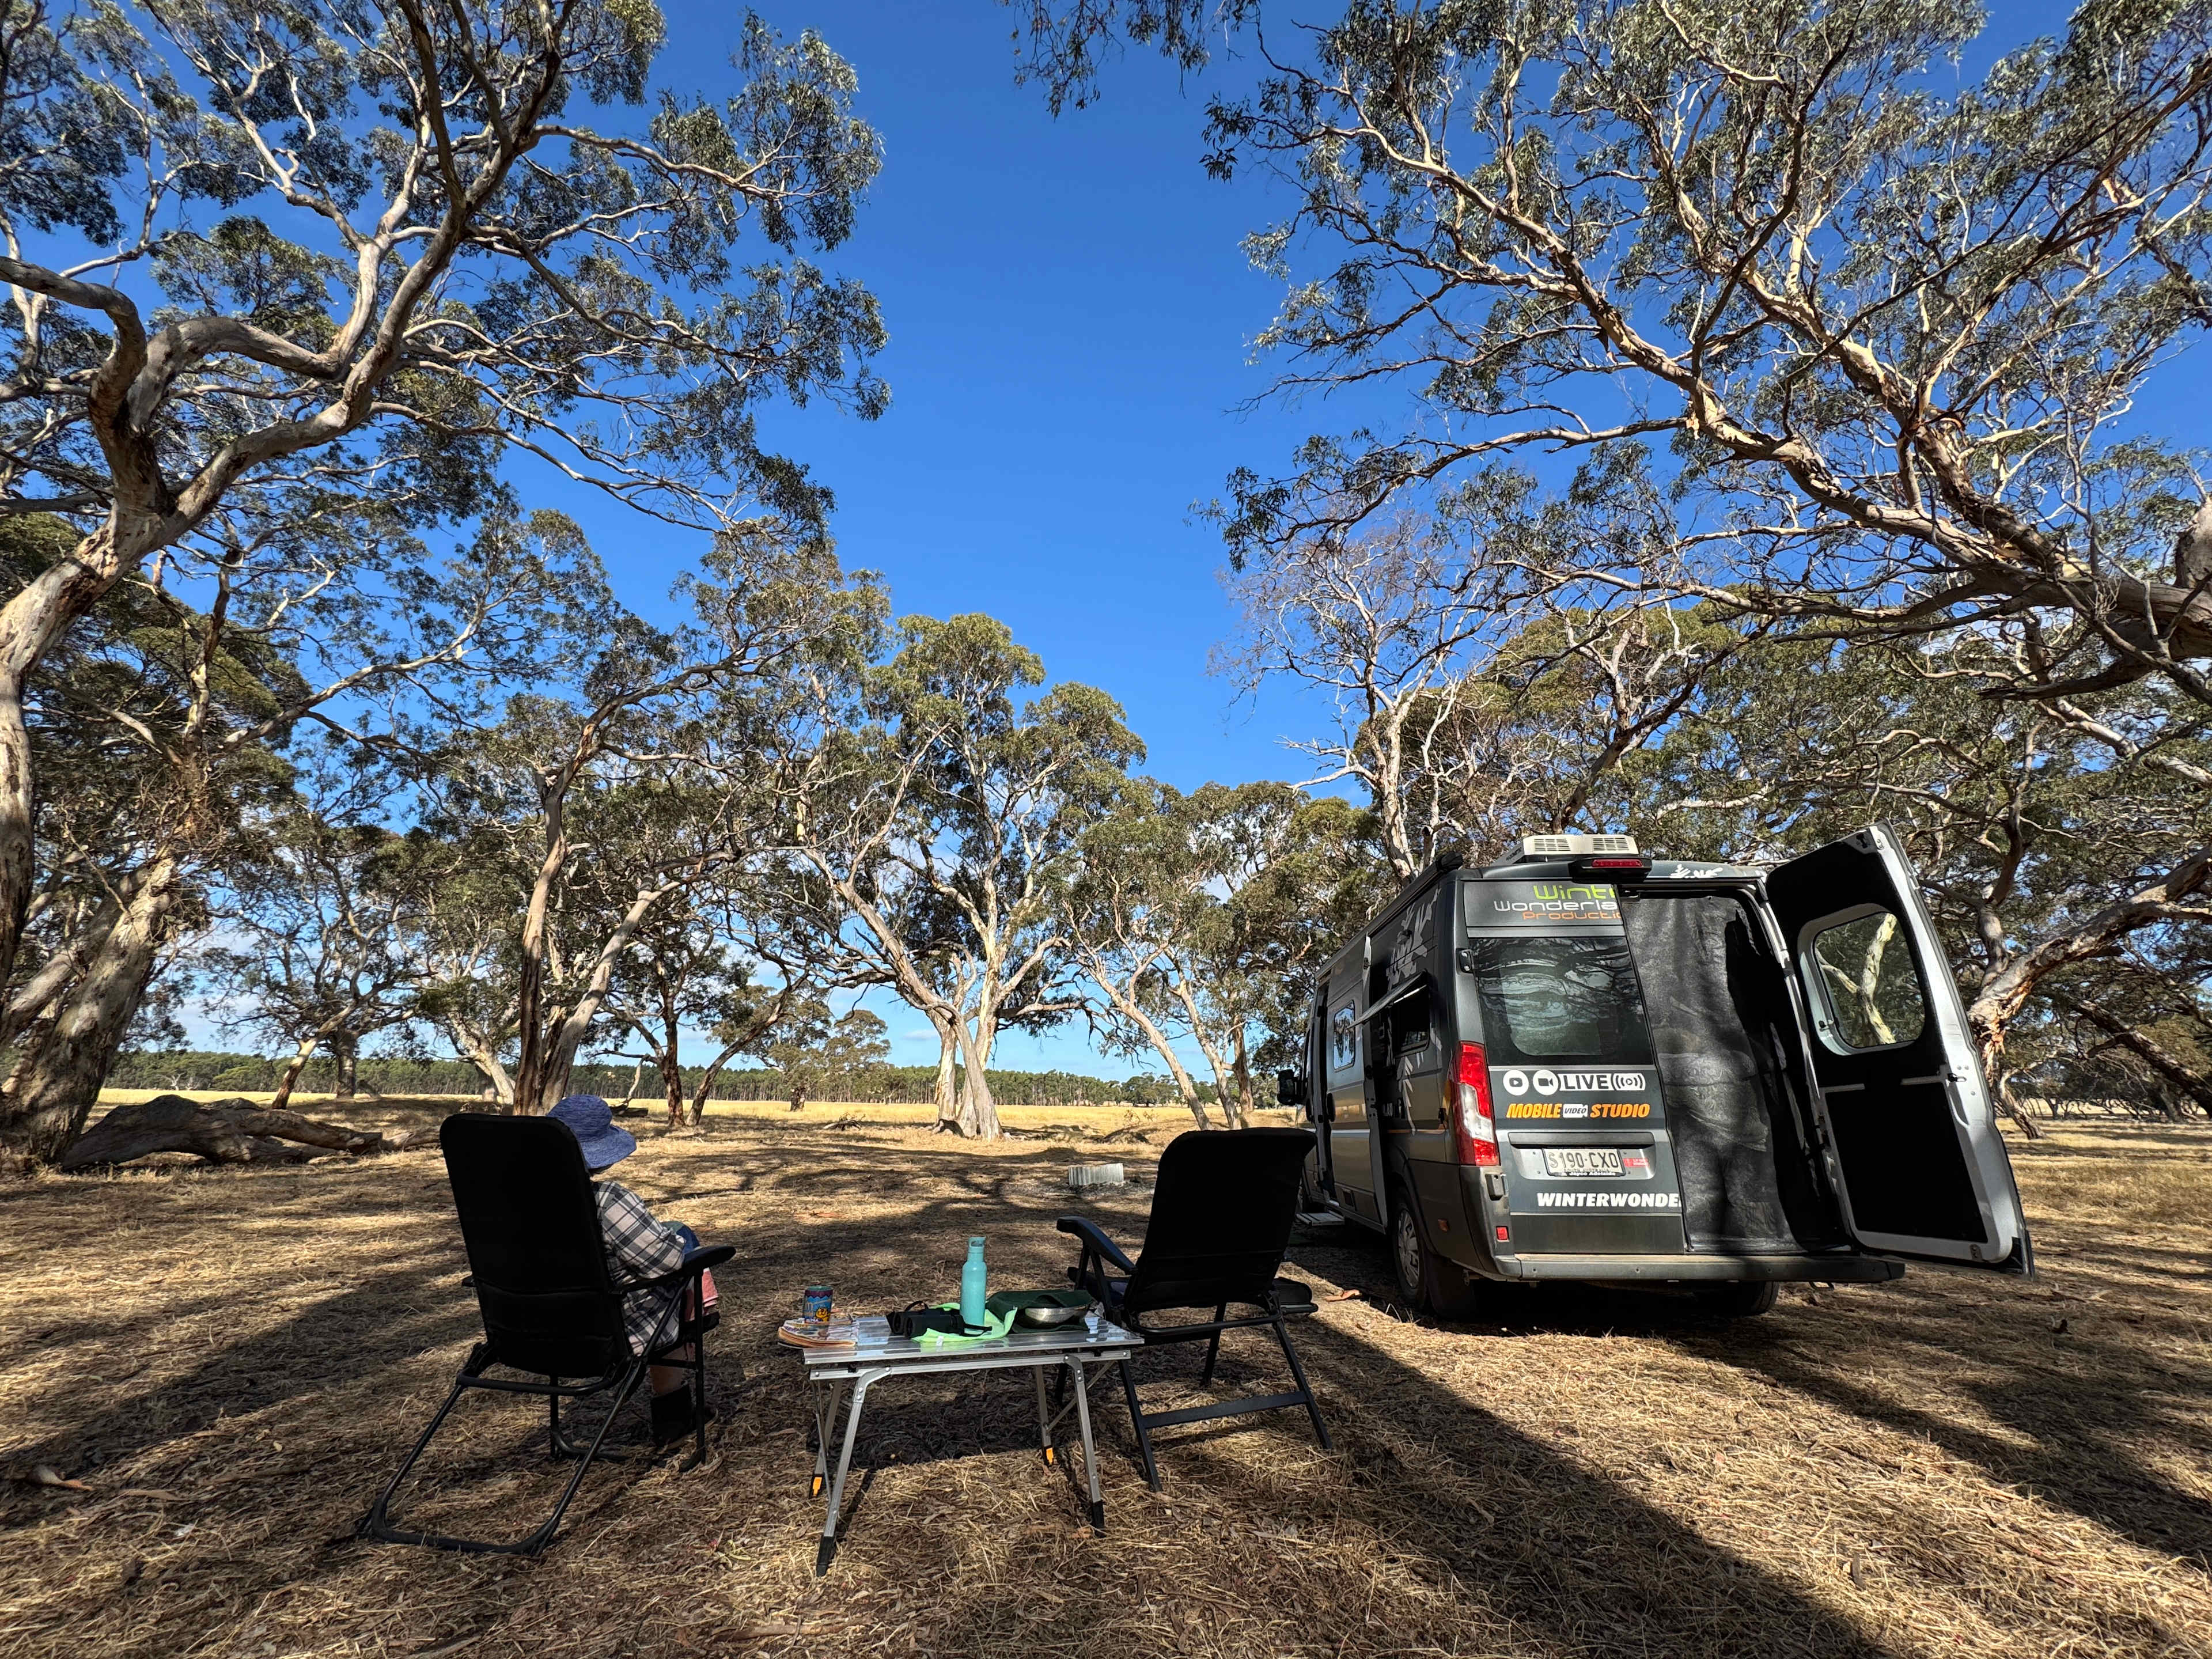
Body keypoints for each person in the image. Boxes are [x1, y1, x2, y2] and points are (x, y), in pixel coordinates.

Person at [547, 1094, 711, 1442]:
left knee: (676, 1232)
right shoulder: (606, 1200)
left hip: (530, 1331)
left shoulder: (507, 1203)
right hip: (606, 1332)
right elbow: (666, 1263)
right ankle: (674, 1411)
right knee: (685, 1250)